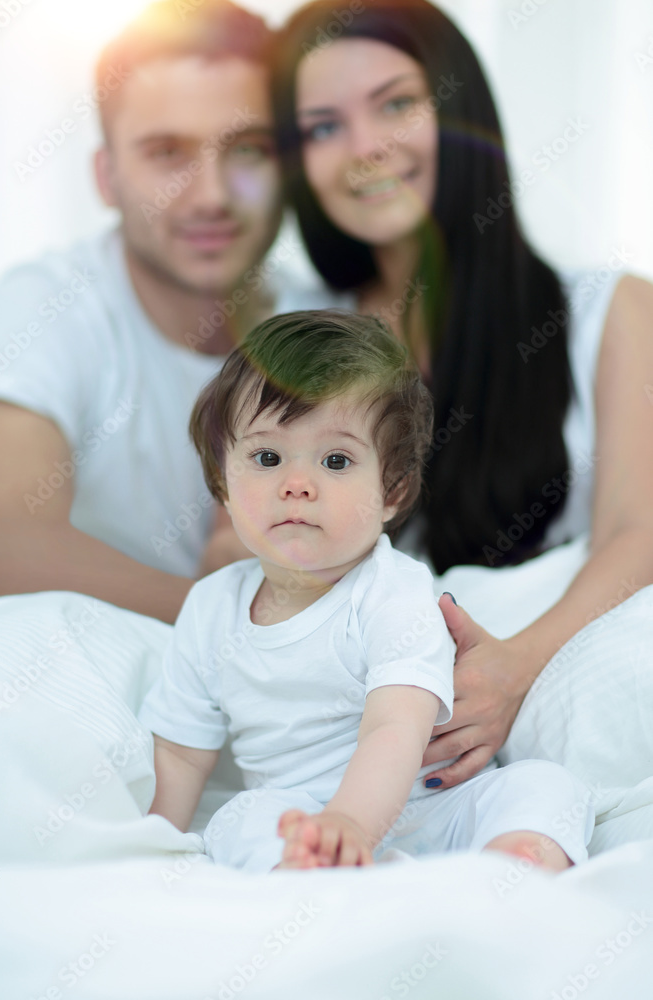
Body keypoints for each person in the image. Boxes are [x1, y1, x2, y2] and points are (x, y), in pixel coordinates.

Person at [269, 1, 653, 790]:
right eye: (321, 127)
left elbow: (635, 530)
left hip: (553, 655)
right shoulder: (296, 337)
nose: (365, 149)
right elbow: (239, 542)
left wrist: (515, 668)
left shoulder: (609, 310)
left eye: (396, 104)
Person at [138, 309, 594, 873]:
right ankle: (315, 874)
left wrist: (352, 824)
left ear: (392, 492)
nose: (297, 484)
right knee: (237, 819)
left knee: (546, 786)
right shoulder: (211, 609)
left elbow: (394, 725)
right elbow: (182, 752)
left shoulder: (393, 591)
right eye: (266, 457)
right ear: (221, 485)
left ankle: (509, 869)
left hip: (436, 806)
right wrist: (152, 843)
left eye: (336, 460)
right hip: (301, 817)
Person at [0, 0, 339, 623]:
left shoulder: (327, 323)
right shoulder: (50, 303)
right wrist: (229, 621)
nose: (212, 196)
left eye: (248, 150)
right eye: (167, 153)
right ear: (106, 178)